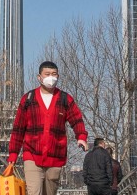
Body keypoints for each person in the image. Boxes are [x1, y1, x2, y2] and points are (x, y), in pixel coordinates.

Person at [7, 61, 89, 195]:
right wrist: (13, 155)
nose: (51, 77)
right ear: (39, 77)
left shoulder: (65, 99)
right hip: (32, 154)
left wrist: (81, 137)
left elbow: (77, 119)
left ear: (58, 76)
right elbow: (18, 129)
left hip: (55, 156)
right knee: (34, 191)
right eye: (47, 74)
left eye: (54, 74)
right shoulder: (28, 99)